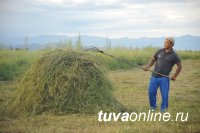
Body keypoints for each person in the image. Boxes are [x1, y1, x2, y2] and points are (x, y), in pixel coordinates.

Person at [143, 37, 182, 112]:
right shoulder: (159, 51)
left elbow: (180, 66)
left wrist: (175, 76)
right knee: (151, 92)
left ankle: (163, 109)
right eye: (164, 42)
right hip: (154, 76)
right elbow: (153, 59)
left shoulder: (174, 55)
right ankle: (153, 107)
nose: (164, 43)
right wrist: (148, 66)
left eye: (166, 42)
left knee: (164, 95)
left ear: (172, 44)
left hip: (164, 78)